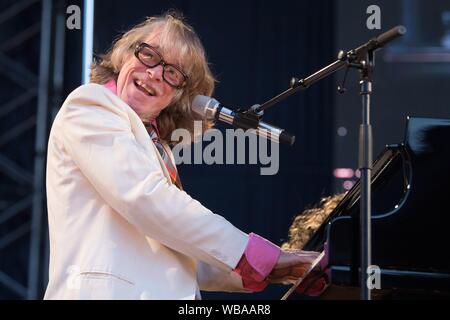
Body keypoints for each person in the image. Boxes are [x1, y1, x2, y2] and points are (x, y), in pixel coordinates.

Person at [44, 12, 322, 300]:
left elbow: (176, 250)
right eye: (148, 55)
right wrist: (252, 254)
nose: (154, 74)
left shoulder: (156, 147)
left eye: (173, 74)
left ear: (177, 97)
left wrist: (266, 268)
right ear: (124, 56)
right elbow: (146, 198)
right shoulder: (91, 104)